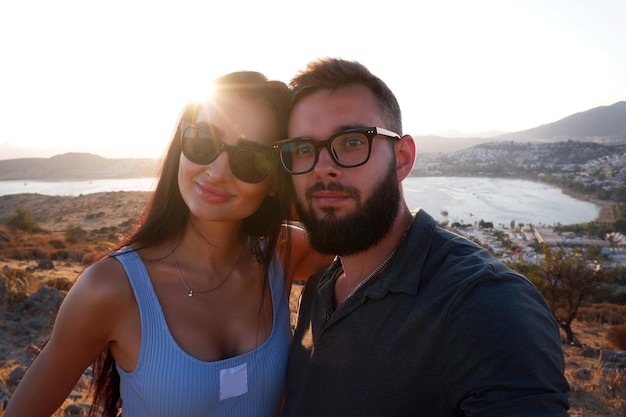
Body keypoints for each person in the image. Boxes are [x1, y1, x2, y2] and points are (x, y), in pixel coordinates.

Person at [4, 71, 331, 417]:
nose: (217, 171)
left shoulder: (280, 253)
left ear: (275, 180)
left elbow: (362, 245)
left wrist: (295, 193)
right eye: (203, 141)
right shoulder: (109, 288)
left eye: (251, 159)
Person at [273, 57, 571, 416]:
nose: (323, 167)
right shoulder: (321, 288)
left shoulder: (485, 306)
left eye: (352, 141)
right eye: (303, 149)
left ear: (402, 158)